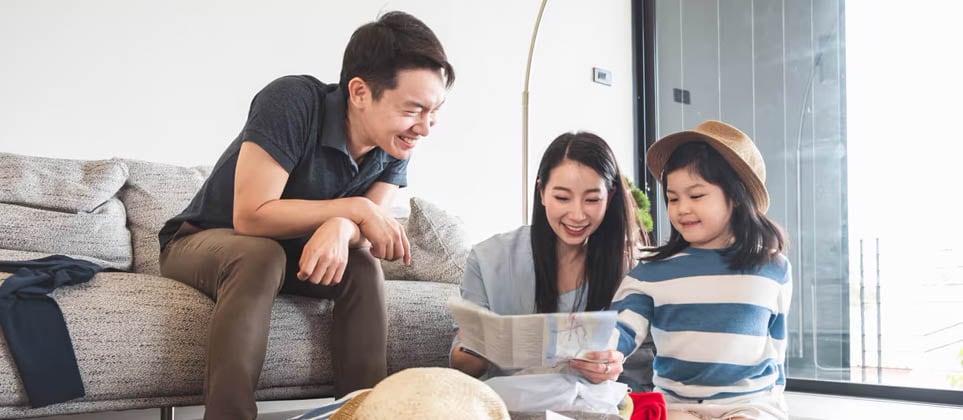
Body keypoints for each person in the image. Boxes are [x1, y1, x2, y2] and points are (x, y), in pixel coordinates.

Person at [157, 11, 454, 420]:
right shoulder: (292, 101)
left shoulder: (395, 144)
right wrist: (353, 208)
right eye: (413, 109)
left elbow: (367, 234)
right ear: (360, 92)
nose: (425, 127)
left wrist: (342, 223)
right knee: (260, 254)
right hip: (201, 241)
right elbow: (251, 217)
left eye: (434, 110)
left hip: (292, 254)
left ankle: (363, 412)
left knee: (362, 266)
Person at [611, 120, 792, 420]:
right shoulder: (651, 272)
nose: (682, 208)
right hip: (677, 407)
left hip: (750, 405)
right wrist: (604, 354)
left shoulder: (773, 269)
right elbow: (620, 332)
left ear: (735, 197)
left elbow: (776, 350)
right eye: (673, 198)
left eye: (696, 196)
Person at [450, 131, 655, 389]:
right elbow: (461, 363)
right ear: (542, 192)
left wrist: (613, 365)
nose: (577, 214)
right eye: (562, 198)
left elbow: (641, 377)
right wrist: (480, 347)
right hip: (508, 408)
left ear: (610, 197)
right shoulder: (489, 259)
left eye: (592, 199)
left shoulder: (633, 269)